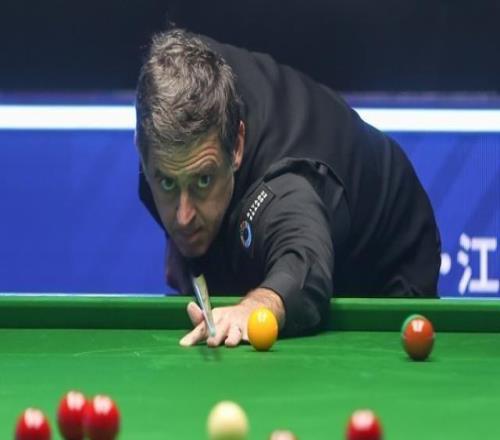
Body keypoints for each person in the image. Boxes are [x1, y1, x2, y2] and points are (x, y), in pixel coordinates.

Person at [134, 28, 441, 347]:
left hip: (383, 259)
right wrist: (182, 246)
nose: (183, 216)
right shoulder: (169, 112)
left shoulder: (287, 186)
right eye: (167, 183)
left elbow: (303, 263)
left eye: (203, 180)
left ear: (236, 146)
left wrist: (255, 308)